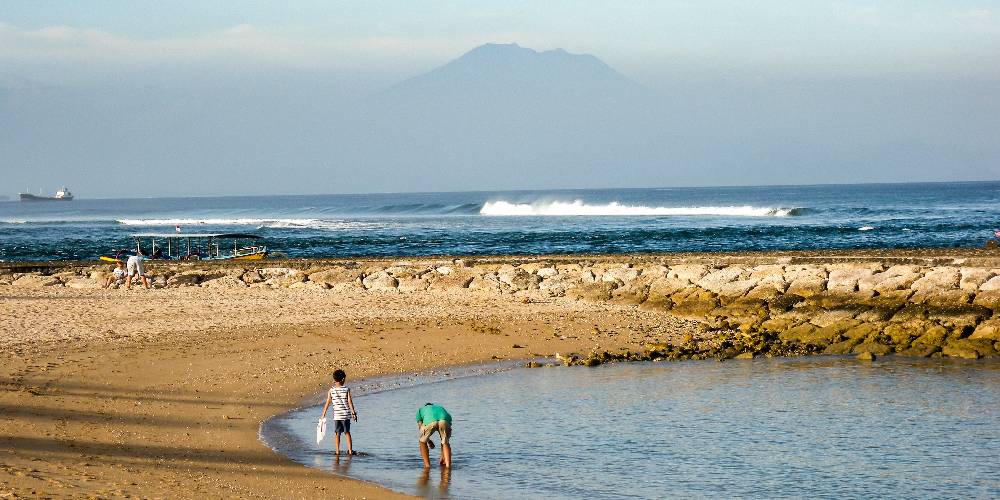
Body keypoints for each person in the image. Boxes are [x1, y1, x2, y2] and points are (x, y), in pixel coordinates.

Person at [320, 369, 357, 455]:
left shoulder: (331, 390)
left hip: (337, 416)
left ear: (334, 380)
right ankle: (350, 451)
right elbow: (350, 402)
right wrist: (353, 413)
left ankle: (337, 451)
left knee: (337, 433)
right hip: (346, 416)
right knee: (347, 433)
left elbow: (327, 403)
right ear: (343, 379)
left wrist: (323, 415)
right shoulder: (347, 389)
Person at [417, 402, 452, 468]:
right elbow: (449, 428)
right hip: (444, 420)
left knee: (422, 441)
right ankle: (447, 465)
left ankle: (427, 465)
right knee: (445, 442)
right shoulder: (440, 408)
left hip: (430, 422)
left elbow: (421, 429)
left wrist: (428, 441)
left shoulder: (420, 410)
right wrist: (442, 455)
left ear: (426, 406)